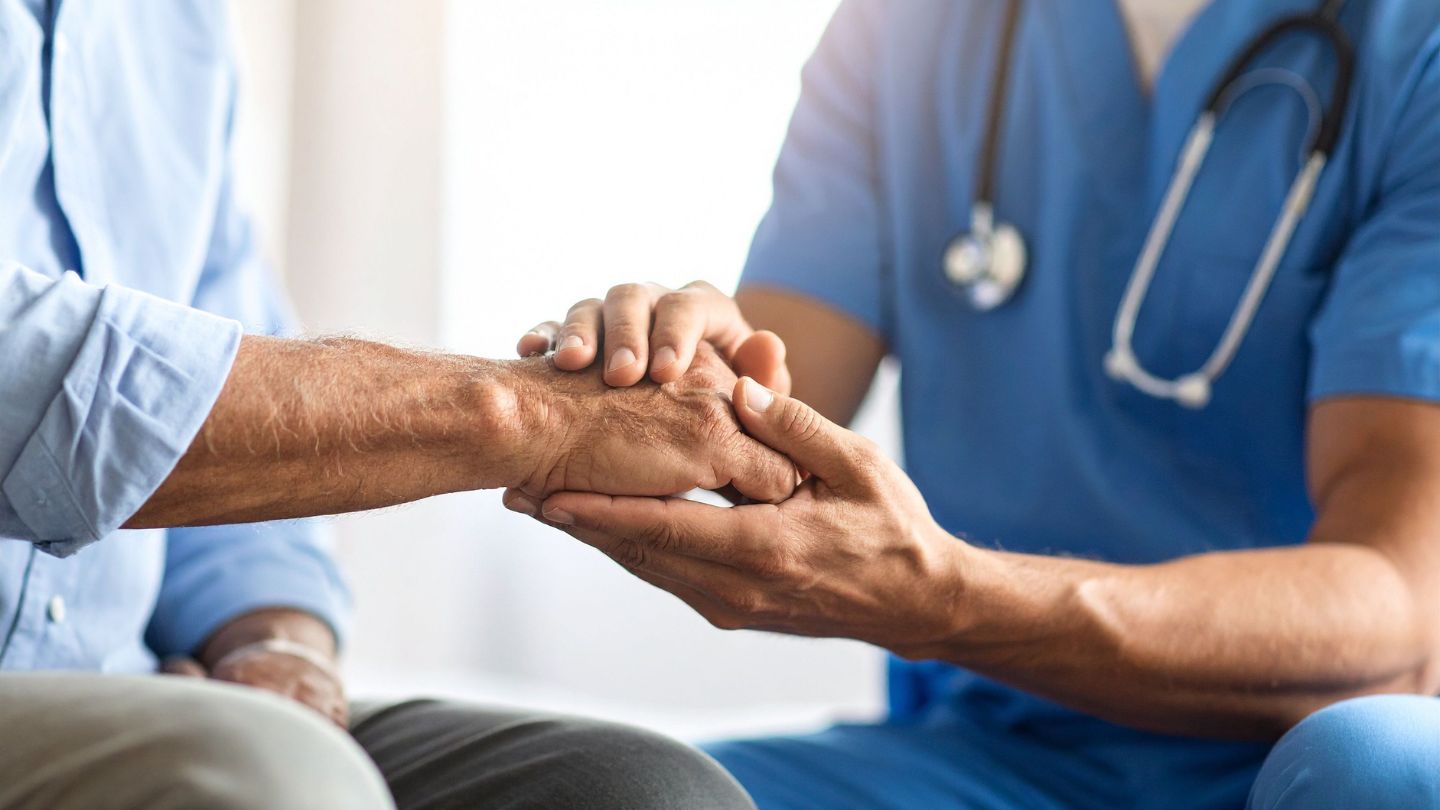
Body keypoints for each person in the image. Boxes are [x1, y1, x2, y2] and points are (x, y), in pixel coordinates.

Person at [512, 0, 1440, 807]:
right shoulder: (907, 26)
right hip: (991, 754)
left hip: (1304, 741)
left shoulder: (1415, 46)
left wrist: (947, 594)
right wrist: (681, 371)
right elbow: (777, 399)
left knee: (1365, 768)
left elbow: (1398, 598)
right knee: (596, 790)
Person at [0, 2, 787, 808]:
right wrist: (531, 417)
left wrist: (274, 641)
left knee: (647, 791)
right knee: (280, 781)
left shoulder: (176, 23)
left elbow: (223, 385)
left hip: (136, 680)